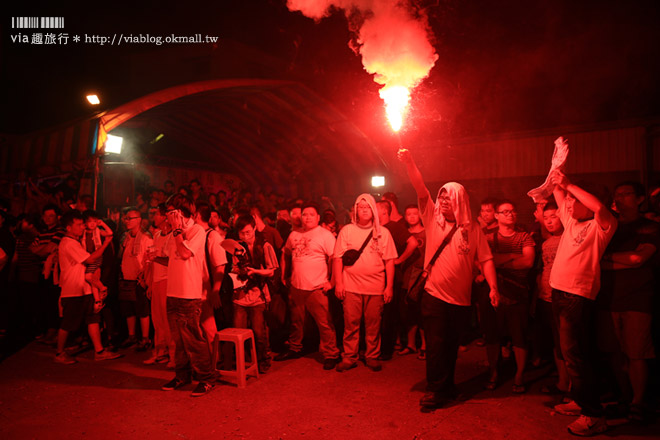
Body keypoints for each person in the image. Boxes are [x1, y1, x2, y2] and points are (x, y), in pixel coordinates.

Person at [398, 148, 499, 409]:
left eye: (447, 197)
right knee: (435, 345)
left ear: (460, 200)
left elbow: (486, 259)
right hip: (434, 295)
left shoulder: (473, 229)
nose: (442, 201)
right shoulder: (433, 219)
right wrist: (410, 161)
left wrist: (493, 287)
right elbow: (421, 189)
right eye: (441, 196)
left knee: (452, 346)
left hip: (461, 299)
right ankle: (434, 390)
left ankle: (448, 386)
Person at [548, 170, 617, 436]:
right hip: (558, 292)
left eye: (574, 201)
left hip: (577, 296)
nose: (568, 205)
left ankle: (594, 415)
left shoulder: (603, 224)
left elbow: (598, 206)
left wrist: (568, 184)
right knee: (572, 354)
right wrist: (557, 169)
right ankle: (580, 400)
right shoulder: (572, 221)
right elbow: (558, 192)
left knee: (576, 356)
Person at [599, 181, 658, 422]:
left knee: (636, 353)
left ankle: (638, 401)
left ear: (640, 199)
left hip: (638, 299)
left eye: (627, 194)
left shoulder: (650, 228)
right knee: (615, 352)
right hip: (609, 298)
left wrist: (608, 259)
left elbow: (638, 259)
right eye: (617, 194)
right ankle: (624, 396)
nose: (621, 198)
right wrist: (620, 260)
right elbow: (595, 260)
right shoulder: (609, 227)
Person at [161, 194, 218, 397]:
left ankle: (206, 378)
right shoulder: (173, 233)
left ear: (179, 214)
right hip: (172, 293)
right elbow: (172, 258)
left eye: (170, 213)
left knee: (194, 340)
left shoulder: (197, 231)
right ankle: (182, 376)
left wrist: (177, 231)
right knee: (178, 342)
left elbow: (185, 254)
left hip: (188, 294)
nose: (166, 217)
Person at [333, 193, 397, 373]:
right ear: (355, 210)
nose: (364, 210)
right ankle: (349, 356)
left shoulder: (383, 232)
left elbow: (390, 261)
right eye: (361, 207)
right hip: (351, 285)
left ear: (373, 210)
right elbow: (337, 258)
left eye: (367, 207)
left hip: (375, 287)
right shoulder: (347, 231)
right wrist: (339, 283)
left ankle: (372, 356)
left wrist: (389, 286)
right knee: (351, 323)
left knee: (373, 323)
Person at [276, 201, 341, 370]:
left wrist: (332, 281)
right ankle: (295, 347)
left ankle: (331, 353)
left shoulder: (325, 235)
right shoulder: (294, 234)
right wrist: (284, 275)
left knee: (324, 322)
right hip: (297, 286)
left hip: (317, 287)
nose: (308, 217)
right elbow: (285, 253)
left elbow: (335, 258)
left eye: (312, 214)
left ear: (318, 217)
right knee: (296, 321)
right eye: (305, 214)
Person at [482, 200, 535, 393]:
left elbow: (528, 262)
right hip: (494, 291)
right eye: (505, 212)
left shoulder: (525, 237)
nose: (510, 215)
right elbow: (481, 260)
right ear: (496, 215)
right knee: (493, 335)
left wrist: (496, 262)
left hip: (517, 292)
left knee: (519, 335)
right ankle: (494, 371)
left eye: (512, 211)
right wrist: (513, 256)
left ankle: (519, 375)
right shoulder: (487, 238)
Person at [55, 211, 120, 364]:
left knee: (93, 319)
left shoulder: (76, 242)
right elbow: (90, 258)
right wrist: (105, 244)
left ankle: (99, 351)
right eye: (78, 225)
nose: (82, 227)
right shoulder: (69, 243)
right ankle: (59, 353)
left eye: (82, 224)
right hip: (73, 289)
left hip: (84, 288)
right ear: (69, 228)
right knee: (68, 323)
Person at [230, 214, 278, 374]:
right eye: (242, 233)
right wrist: (238, 272)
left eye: (248, 232)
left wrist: (255, 271)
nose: (245, 236)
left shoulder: (264, 246)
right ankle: (243, 361)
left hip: (258, 295)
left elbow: (271, 271)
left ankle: (264, 360)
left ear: (254, 228)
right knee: (239, 332)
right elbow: (234, 267)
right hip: (240, 296)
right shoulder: (236, 247)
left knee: (259, 332)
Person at [144, 204, 176, 367]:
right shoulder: (156, 235)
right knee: (156, 320)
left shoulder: (173, 237)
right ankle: (159, 351)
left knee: (167, 319)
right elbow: (152, 259)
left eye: (156, 214)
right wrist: (149, 282)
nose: (153, 217)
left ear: (164, 217)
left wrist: (156, 258)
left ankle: (173, 354)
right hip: (156, 281)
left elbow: (170, 261)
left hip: (167, 281)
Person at [119, 208, 153, 351]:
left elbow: (149, 260)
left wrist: (145, 277)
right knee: (129, 309)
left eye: (130, 218)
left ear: (138, 220)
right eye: (126, 218)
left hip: (139, 279)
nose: (127, 221)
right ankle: (131, 335)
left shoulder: (146, 238)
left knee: (142, 310)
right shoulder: (125, 237)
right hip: (126, 277)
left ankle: (145, 338)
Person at [80, 210, 113, 303]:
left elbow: (110, 233)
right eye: (90, 221)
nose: (92, 224)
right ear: (85, 222)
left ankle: (102, 287)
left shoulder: (98, 231)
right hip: (87, 257)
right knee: (94, 279)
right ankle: (97, 300)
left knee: (88, 276)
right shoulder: (83, 232)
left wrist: (102, 224)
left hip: (97, 257)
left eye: (95, 221)